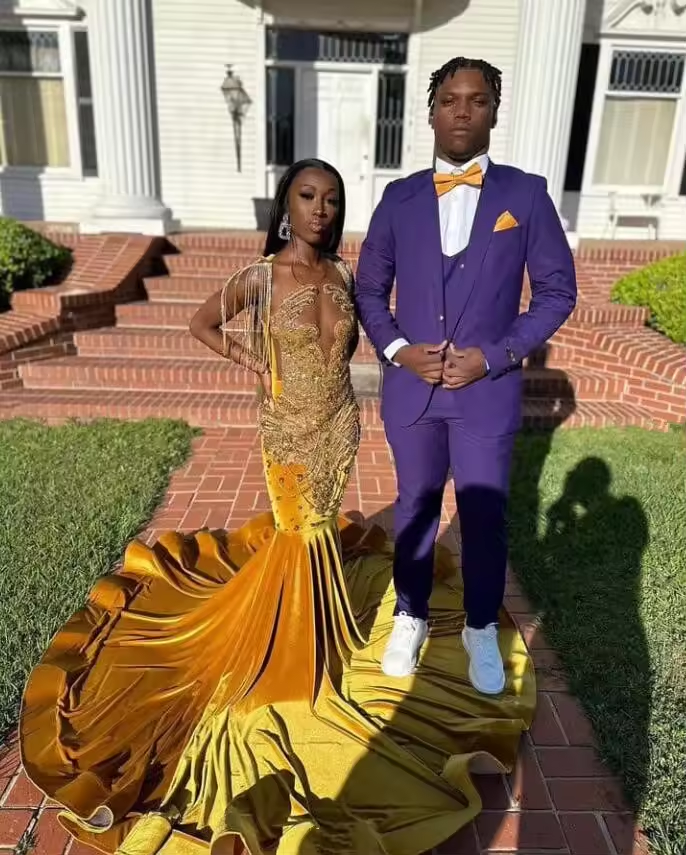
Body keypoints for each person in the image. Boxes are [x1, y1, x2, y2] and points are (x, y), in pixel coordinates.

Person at [20, 158, 535, 855]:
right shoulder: (261, 277)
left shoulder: (347, 275)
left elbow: (380, 335)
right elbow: (202, 324)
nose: (321, 209)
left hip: (338, 426)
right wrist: (256, 363)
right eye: (307, 196)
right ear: (286, 207)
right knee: (298, 535)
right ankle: (289, 656)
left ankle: (317, 631)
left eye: (331, 199)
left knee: (318, 537)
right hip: (288, 433)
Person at [356, 57, 577, 695]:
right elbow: (369, 290)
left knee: (483, 516)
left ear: (494, 113)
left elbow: (557, 293)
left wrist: (496, 355)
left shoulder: (525, 195)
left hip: (487, 393)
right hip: (413, 392)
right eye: (450, 100)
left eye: (477, 101)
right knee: (416, 506)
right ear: (430, 112)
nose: (462, 111)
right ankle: (411, 614)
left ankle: (481, 625)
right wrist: (399, 350)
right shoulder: (398, 198)